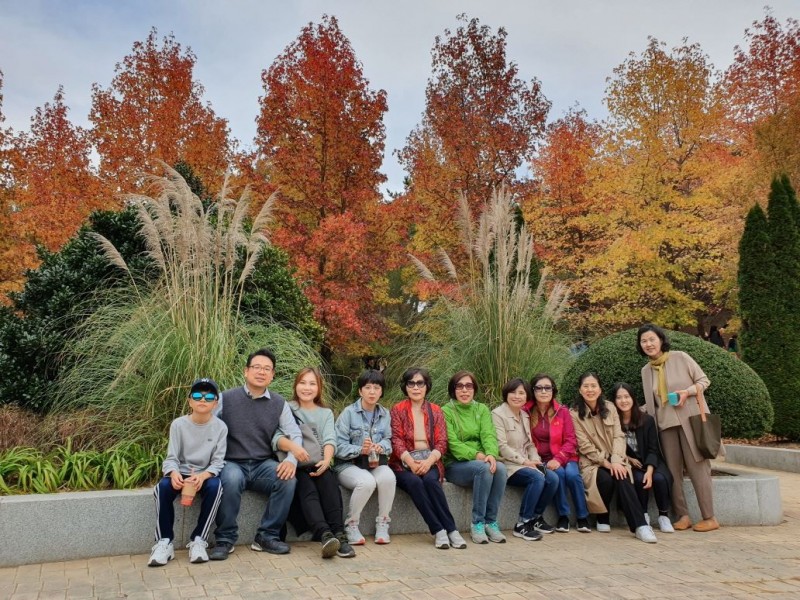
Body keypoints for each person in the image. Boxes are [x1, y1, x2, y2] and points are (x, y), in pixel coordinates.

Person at [210, 348, 301, 560]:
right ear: (246, 371)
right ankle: (225, 539)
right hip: (232, 462)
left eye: (267, 369)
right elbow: (207, 425)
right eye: (257, 367)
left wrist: (291, 460)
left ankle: (267, 536)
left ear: (272, 375)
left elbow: (294, 433)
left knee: (287, 479)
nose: (261, 372)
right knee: (231, 479)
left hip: (262, 464)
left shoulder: (279, 403)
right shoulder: (226, 398)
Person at [638, 323, 719, 532]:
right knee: (672, 472)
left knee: (698, 468)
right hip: (665, 426)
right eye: (644, 341)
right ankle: (683, 515)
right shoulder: (646, 371)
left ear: (661, 340)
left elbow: (703, 381)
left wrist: (687, 392)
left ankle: (709, 517)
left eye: (652, 339)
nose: (648, 344)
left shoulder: (680, 357)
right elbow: (654, 403)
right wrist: (632, 410)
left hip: (690, 421)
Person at [275, 368, 355, 558]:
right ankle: (324, 535)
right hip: (295, 464)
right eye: (302, 383)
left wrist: (326, 461)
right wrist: (295, 450)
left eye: (312, 384)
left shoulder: (325, 413)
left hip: (318, 461)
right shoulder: (286, 408)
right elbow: (276, 437)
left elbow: (329, 439)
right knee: (306, 488)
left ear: (319, 388)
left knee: (329, 483)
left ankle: (339, 534)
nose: (307, 388)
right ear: (296, 385)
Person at [571, 372, 658, 543]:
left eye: (594, 386)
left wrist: (616, 460)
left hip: (615, 456)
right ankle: (602, 516)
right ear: (580, 390)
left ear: (600, 389)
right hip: (592, 461)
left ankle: (640, 526)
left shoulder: (610, 408)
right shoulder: (574, 414)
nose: (590, 390)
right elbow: (584, 446)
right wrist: (606, 463)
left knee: (622, 475)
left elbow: (619, 436)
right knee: (605, 478)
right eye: (586, 386)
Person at [149, 378, 227, 566]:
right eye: (197, 395)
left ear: (215, 403)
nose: (203, 400)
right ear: (190, 401)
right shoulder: (178, 424)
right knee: (162, 488)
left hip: (204, 474)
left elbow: (218, 462)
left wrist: (203, 476)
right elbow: (171, 458)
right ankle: (164, 542)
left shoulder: (220, 427)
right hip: (181, 473)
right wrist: (173, 473)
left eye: (209, 397)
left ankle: (199, 539)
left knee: (216, 487)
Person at [390, 367, 467, 550]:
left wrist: (428, 462)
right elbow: (396, 440)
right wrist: (410, 462)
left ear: (427, 386)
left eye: (420, 383)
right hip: (403, 464)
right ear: (405, 386)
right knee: (415, 483)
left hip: (430, 461)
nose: (416, 387)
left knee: (431, 482)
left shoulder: (435, 410)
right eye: (411, 383)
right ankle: (438, 530)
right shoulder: (398, 410)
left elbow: (442, 442)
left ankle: (452, 530)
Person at [442, 371, 507, 544]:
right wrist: (477, 455)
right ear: (453, 389)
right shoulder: (446, 411)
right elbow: (452, 444)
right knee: (484, 468)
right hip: (456, 464)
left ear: (474, 389)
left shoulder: (482, 409)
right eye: (460, 386)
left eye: (469, 386)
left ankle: (490, 522)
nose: (464, 390)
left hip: (482, 460)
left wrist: (491, 454)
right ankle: (477, 523)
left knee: (501, 469)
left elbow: (488, 435)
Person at [492, 378, 559, 542]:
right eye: (513, 392)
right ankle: (522, 523)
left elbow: (530, 444)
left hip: (527, 463)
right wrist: (524, 462)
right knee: (537, 478)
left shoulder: (524, 415)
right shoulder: (497, 414)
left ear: (527, 396)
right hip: (508, 465)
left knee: (552, 478)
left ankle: (536, 518)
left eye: (521, 393)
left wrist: (535, 460)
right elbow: (501, 447)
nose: (517, 396)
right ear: (506, 394)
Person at [334, 369, 395, 545]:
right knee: (366, 482)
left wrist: (380, 446)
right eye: (367, 387)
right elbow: (338, 446)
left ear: (381, 391)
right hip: (348, 465)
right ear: (360, 391)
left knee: (388, 477)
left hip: (374, 463)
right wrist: (361, 450)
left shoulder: (385, 414)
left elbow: (388, 440)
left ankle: (383, 523)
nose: (372, 392)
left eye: (376, 388)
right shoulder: (348, 413)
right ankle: (351, 525)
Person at [527, 374, 590, 533]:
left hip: (565, 456)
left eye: (547, 388)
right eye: (539, 388)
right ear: (533, 391)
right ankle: (563, 516)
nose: (543, 391)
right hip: (541, 459)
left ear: (553, 390)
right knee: (559, 474)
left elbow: (571, 440)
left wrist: (559, 458)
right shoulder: (526, 412)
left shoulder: (562, 412)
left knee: (573, 475)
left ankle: (582, 517)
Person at [611, 382, 674, 533]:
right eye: (619, 397)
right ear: (614, 401)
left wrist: (650, 471)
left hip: (650, 460)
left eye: (627, 396)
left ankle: (663, 516)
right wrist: (628, 458)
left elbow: (653, 449)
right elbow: (611, 446)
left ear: (633, 398)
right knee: (639, 479)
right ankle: (643, 514)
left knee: (660, 479)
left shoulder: (647, 420)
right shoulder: (613, 422)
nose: (623, 401)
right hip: (631, 463)